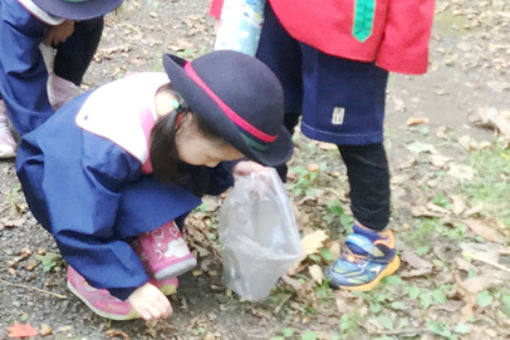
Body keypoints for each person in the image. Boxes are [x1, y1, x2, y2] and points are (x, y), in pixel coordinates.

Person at [15, 50, 293, 320]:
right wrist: (131, 287)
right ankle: (93, 273)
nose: (212, 164)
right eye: (213, 157)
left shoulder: (181, 108)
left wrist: (235, 166)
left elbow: (207, 146)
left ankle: (141, 234)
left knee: (192, 165)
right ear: (184, 124)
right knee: (93, 214)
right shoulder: (108, 146)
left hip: (120, 170)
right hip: (58, 181)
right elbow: (79, 220)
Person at [210, 0, 435, 291]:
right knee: (270, 114)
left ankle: (374, 239)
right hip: (276, 16)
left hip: (350, 26)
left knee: (355, 134)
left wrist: (403, 41)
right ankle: (262, 221)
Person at [0, 0, 123, 158]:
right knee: (9, 48)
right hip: (15, 13)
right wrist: (45, 139)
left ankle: (57, 106)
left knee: (89, 23)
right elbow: (19, 70)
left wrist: (70, 17)